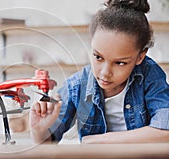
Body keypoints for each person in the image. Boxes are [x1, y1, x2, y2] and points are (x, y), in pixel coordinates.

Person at [29, 0, 169, 144]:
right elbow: (47, 144)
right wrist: (39, 130)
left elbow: (166, 131)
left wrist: (104, 140)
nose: (105, 72)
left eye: (120, 63)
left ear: (140, 57)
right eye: (98, 57)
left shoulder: (149, 75)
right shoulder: (77, 86)